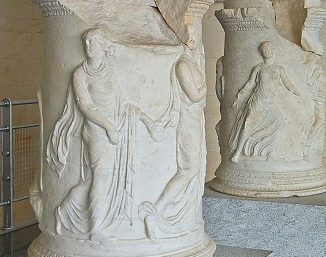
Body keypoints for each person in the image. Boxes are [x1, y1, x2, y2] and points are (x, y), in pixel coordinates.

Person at [47, 28, 160, 240]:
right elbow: (85, 105)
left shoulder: (108, 72)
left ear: (103, 48)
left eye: (93, 43)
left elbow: (121, 103)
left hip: (113, 129)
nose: (88, 46)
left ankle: (63, 211)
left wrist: (147, 119)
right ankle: (96, 230)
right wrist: (108, 126)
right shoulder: (80, 74)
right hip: (96, 132)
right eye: (86, 42)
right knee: (100, 180)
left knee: (91, 180)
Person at [139, 44, 207, 240]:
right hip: (188, 121)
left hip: (194, 120)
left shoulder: (192, 61)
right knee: (188, 170)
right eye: (190, 34)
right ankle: (156, 211)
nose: (194, 38)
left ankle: (164, 211)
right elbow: (195, 95)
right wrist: (205, 87)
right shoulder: (182, 65)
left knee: (191, 169)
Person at [229, 41, 302, 163]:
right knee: (248, 123)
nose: (266, 51)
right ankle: (237, 153)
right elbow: (250, 83)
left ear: (273, 50)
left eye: (268, 48)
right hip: (258, 99)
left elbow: (288, 84)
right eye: (264, 49)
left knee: (280, 123)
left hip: (269, 102)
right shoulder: (258, 68)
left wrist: (299, 95)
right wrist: (240, 95)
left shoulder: (279, 69)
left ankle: (268, 150)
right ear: (261, 52)